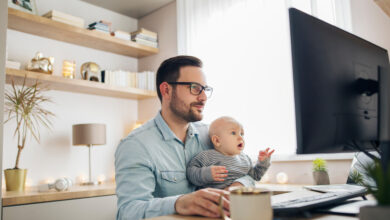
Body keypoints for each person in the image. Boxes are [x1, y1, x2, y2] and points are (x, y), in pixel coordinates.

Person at [115, 56, 256, 220]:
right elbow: (128, 212)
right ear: (166, 90)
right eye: (195, 88)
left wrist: (234, 188)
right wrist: (179, 203)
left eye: (205, 89)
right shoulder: (135, 145)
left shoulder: (211, 136)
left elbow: (247, 173)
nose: (203, 97)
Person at [187, 116, 274, 189]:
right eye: (233, 133)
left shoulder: (245, 159)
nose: (240, 138)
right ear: (217, 141)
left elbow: (255, 176)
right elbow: (190, 172)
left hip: (239, 201)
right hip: (214, 201)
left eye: (242, 134)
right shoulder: (207, 156)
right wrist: (206, 173)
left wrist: (263, 162)